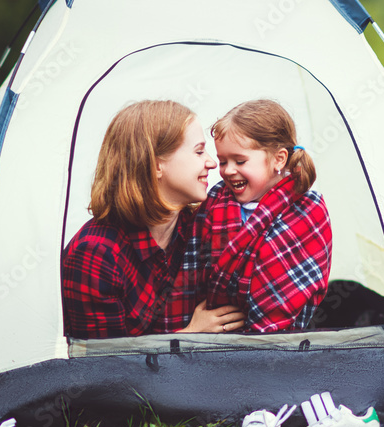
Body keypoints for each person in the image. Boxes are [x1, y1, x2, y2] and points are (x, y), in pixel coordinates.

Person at [61, 100, 246, 339]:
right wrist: (191, 335)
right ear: (156, 164)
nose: (211, 162)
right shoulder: (96, 254)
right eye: (199, 151)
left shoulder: (195, 226)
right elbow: (105, 368)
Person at [176, 99, 332, 333]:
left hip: (279, 341)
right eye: (222, 161)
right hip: (211, 336)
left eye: (240, 161)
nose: (228, 170)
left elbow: (295, 286)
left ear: (278, 159)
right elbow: (190, 268)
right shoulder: (217, 200)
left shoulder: (306, 210)